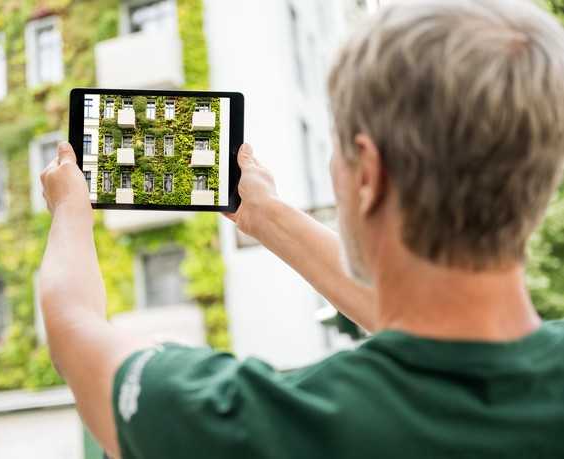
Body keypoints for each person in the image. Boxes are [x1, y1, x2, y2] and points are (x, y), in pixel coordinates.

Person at [38, 0, 564, 457]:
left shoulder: (266, 425)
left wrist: (70, 213)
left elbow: (73, 328)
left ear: (369, 173)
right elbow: (430, 326)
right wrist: (266, 215)